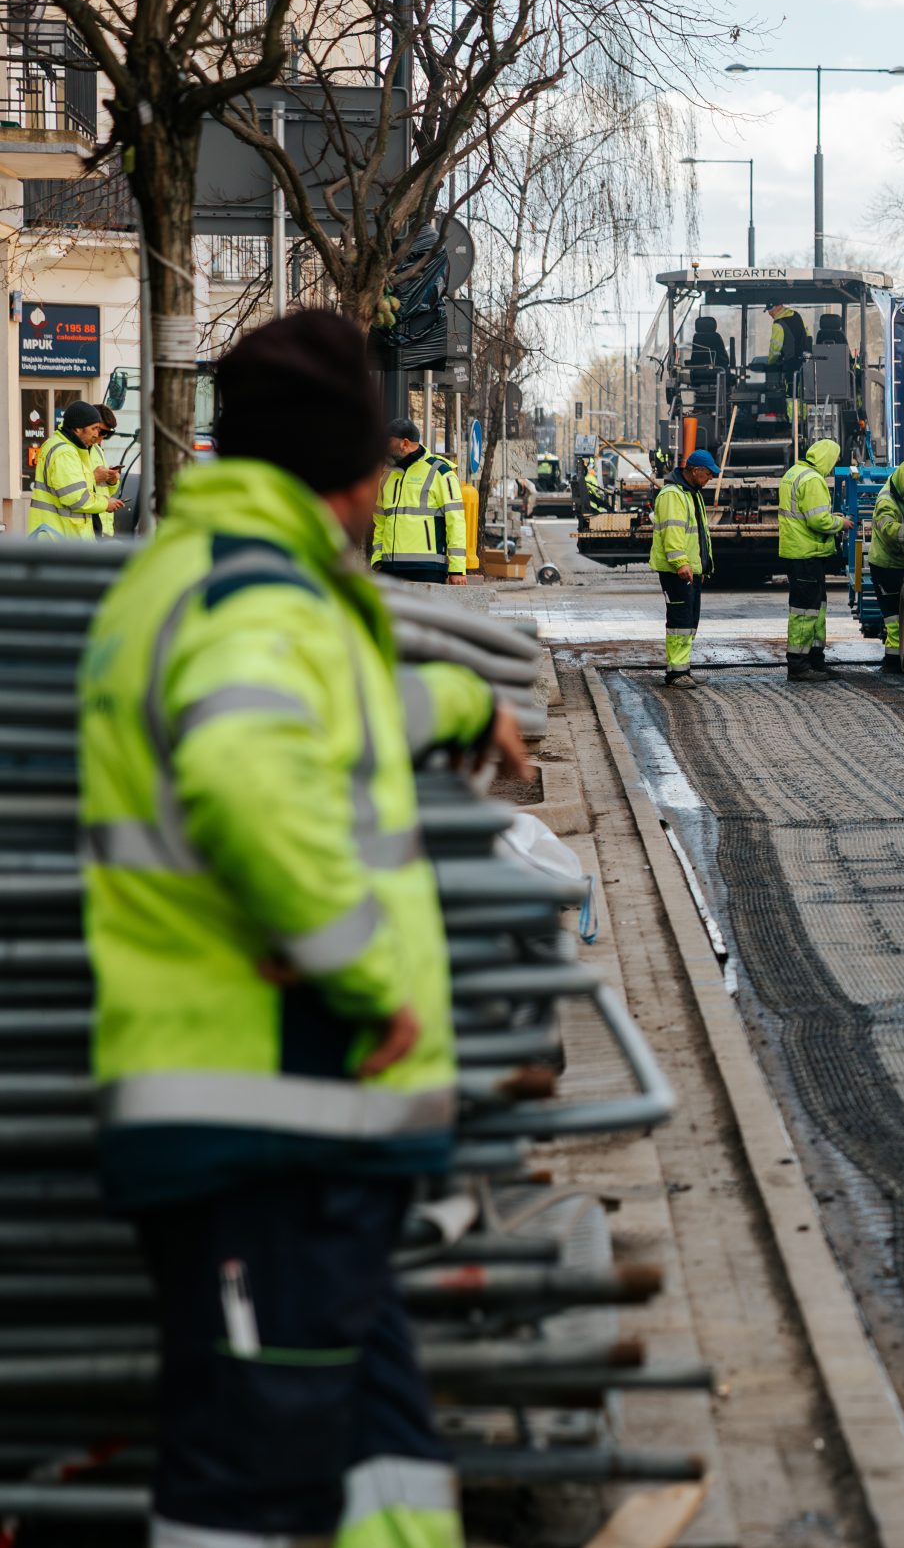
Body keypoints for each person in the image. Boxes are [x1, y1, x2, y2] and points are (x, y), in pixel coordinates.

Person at [78, 308, 531, 1548]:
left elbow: (309, 708)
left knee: (382, 1460)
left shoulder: (199, 577)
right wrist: (365, 975)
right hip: (272, 1110)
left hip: (282, 1130)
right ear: (346, 471)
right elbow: (241, 762)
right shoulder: (254, 594)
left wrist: (450, 700)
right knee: (248, 1489)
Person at [778, 437, 853, 682]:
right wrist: (840, 522)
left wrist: (830, 516)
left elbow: (807, 513)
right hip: (806, 553)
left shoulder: (794, 473)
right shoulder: (812, 479)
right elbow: (817, 520)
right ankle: (799, 665)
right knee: (805, 610)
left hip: (801, 551)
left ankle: (814, 660)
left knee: (815, 608)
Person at [371, 418, 468, 585]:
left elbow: (456, 522)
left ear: (405, 443)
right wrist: (377, 560)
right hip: (389, 568)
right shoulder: (387, 476)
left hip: (428, 568)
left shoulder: (440, 472)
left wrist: (457, 569)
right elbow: (380, 522)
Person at [651, 450, 718, 687]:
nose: (710, 478)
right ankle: (676, 673)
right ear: (695, 471)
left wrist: (700, 567)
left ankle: (682, 668)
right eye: (708, 474)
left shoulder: (691, 493)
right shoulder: (673, 495)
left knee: (689, 620)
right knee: (679, 620)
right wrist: (681, 563)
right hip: (676, 570)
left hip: (690, 568)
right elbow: (673, 533)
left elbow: (698, 535)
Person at [27, 400, 119, 539]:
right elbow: (77, 498)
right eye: (93, 428)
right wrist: (106, 503)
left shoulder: (65, 447)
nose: (96, 434)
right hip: (59, 538)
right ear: (77, 428)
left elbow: (80, 487)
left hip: (60, 536)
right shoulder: (65, 452)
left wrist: (111, 481)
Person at [868, 456, 904, 669]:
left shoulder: (902, 490)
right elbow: (889, 529)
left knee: (898, 613)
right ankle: (893, 661)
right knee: (893, 616)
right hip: (885, 565)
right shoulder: (887, 502)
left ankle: (896, 658)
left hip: (895, 563)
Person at [765, 302, 811, 384]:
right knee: (801, 389)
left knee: (790, 389)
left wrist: (771, 363)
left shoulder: (778, 324)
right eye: (768, 310)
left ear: (780, 307)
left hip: (790, 362)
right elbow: (808, 335)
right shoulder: (796, 315)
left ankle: (790, 396)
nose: (770, 313)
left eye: (772, 310)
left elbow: (775, 347)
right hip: (804, 362)